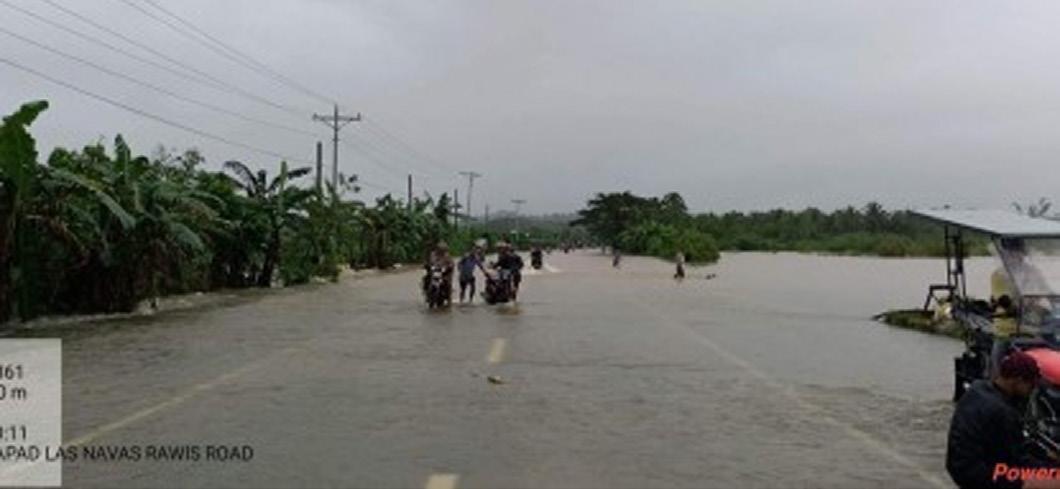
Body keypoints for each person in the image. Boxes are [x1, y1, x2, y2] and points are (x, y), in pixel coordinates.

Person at [947, 351, 1059, 489]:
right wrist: (1051, 469)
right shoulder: (1002, 412)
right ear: (1018, 380)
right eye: (1031, 385)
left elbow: (1012, 445)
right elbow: (1017, 460)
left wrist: (1045, 455)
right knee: (1052, 481)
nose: (1032, 390)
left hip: (958, 466)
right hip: (978, 475)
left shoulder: (977, 388)